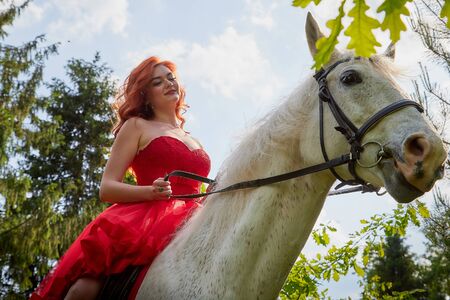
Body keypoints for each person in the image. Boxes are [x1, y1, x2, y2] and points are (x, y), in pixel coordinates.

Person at [29, 56, 211, 299]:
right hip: (143, 219)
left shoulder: (194, 139)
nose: (169, 84)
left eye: (171, 78)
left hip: (192, 218)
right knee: (85, 288)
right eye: (157, 82)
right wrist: (150, 192)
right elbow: (107, 188)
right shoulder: (136, 126)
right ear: (145, 95)